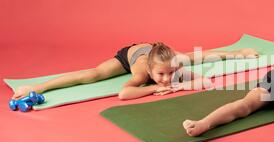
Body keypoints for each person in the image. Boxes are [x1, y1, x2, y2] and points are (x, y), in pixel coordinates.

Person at [11, 42, 259, 100]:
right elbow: (123, 94)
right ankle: (38, 86)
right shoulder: (142, 74)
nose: (166, 78)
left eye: (169, 73)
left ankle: (240, 53)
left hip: (156, 52)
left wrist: (177, 84)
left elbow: (205, 80)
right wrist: (154, 87)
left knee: (196, 58)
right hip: (131, 55)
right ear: (151, 71)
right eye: (161, 74)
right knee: (92, 74)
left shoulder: (172, 67)